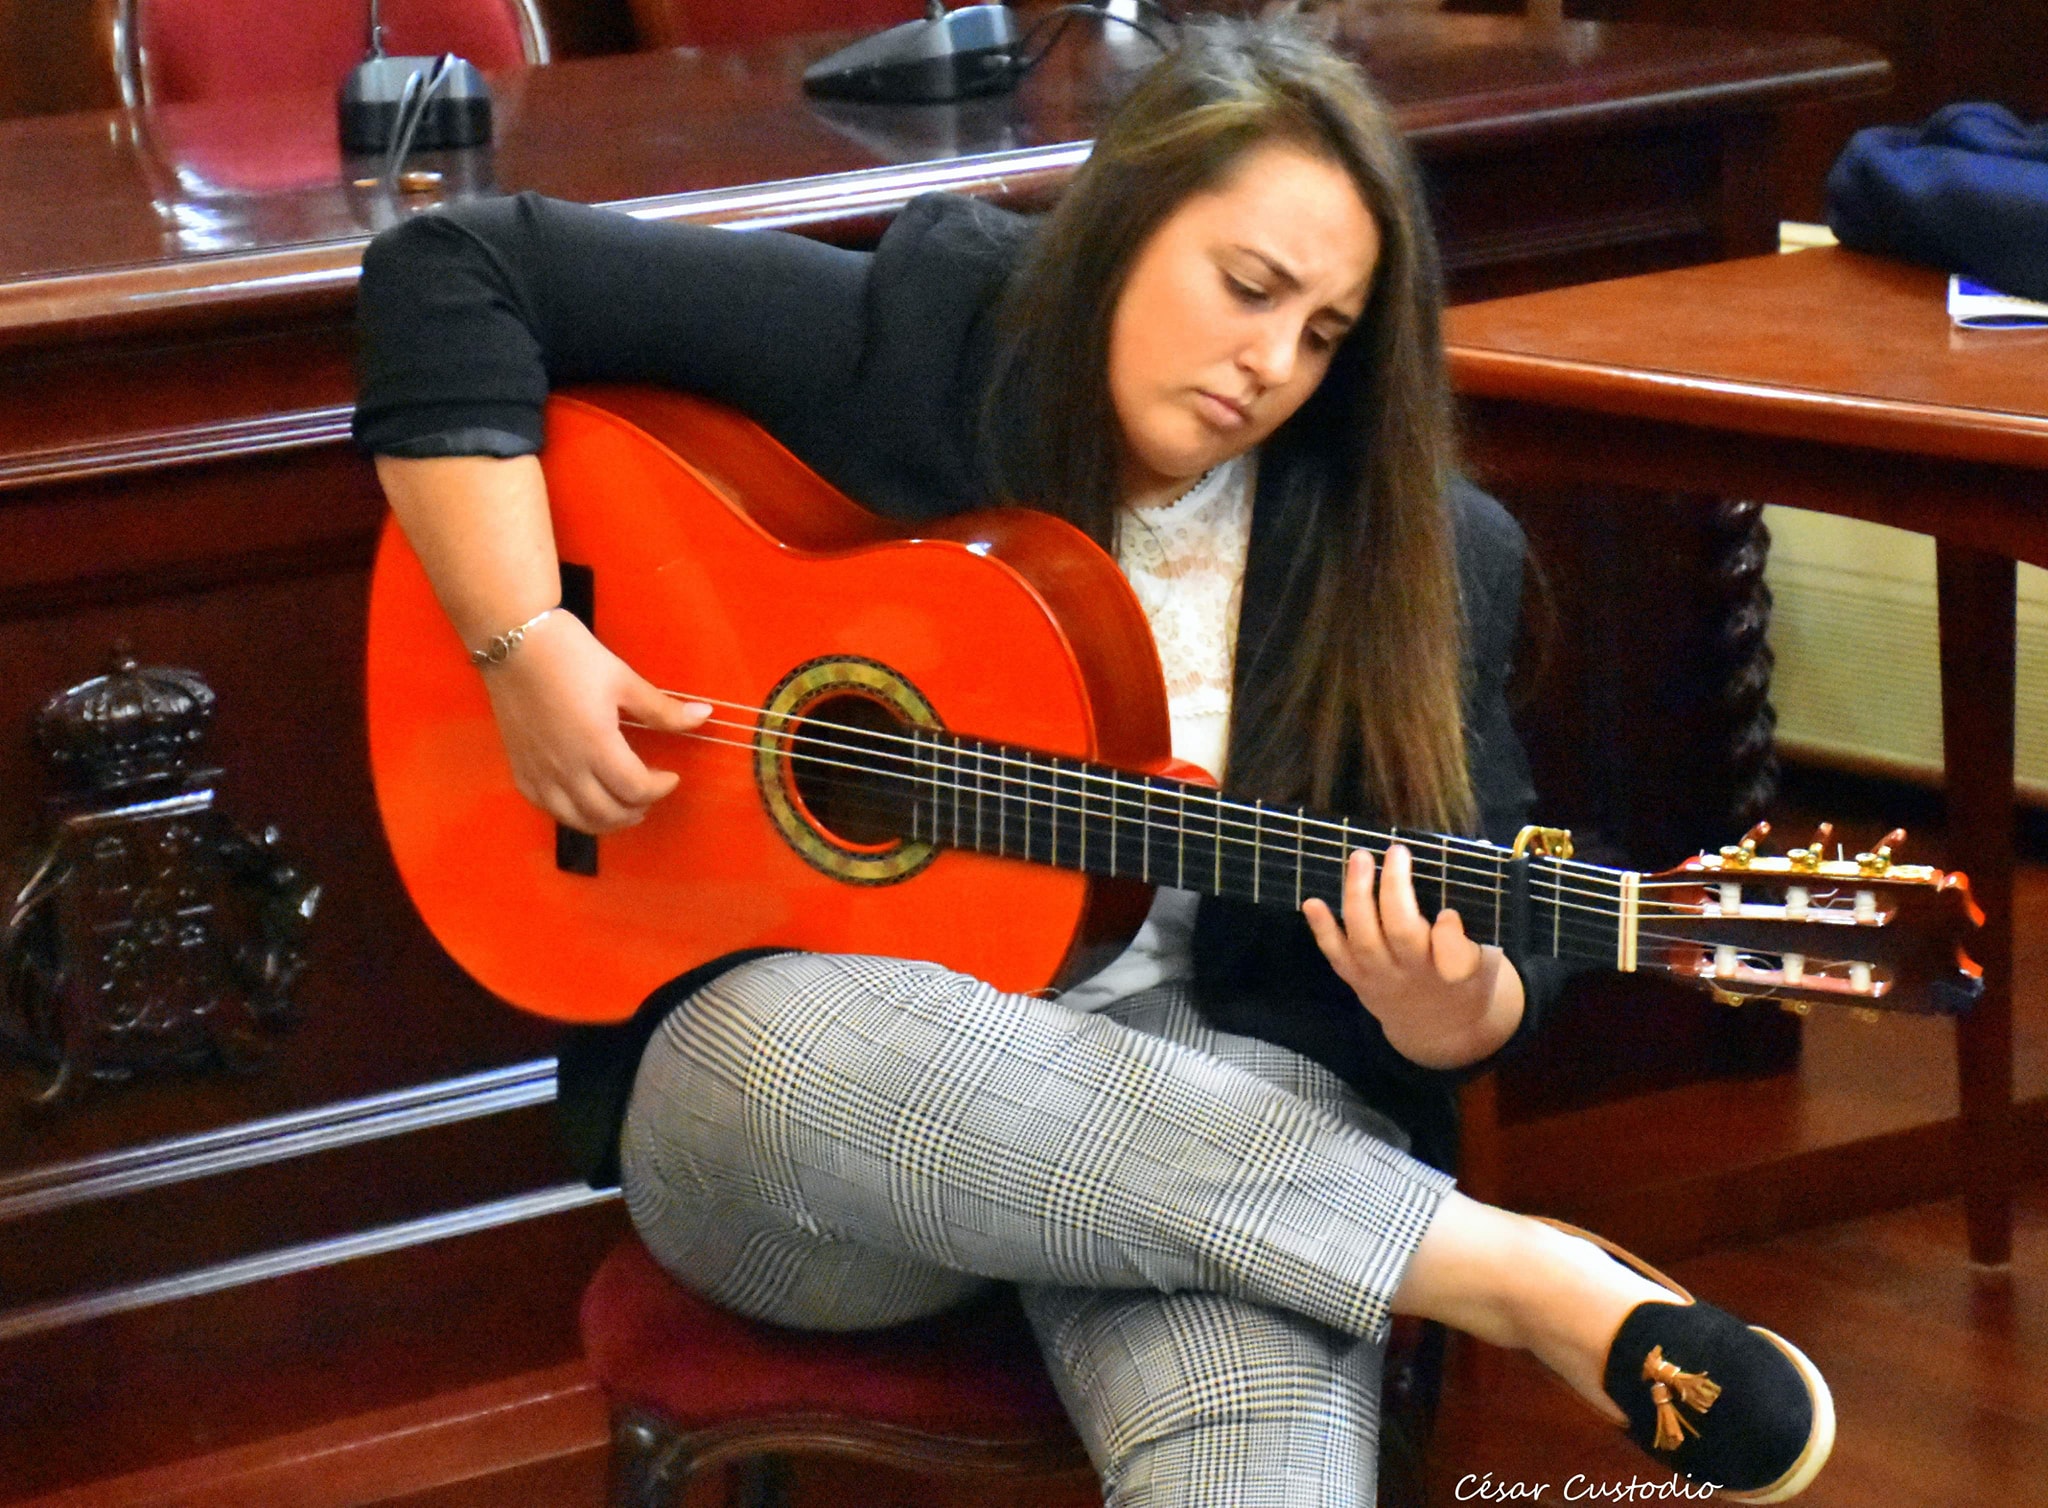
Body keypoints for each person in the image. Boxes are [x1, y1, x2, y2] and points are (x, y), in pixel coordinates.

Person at [354, 19, 1833, 1506]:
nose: (1271, 364)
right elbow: (454, 268)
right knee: (770, 1044)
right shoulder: (932, 335)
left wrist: (1463, 1010)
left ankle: (1397, 1243)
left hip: (1220, 1112)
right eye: (1247, 287)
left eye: (1326, 334)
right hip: (812, 1147)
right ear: (1126, 225)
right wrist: (522, 637)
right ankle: (1510, 1276)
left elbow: (1503, 893)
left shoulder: (1422, 554)